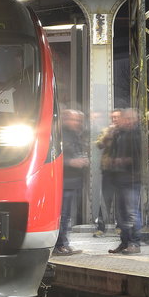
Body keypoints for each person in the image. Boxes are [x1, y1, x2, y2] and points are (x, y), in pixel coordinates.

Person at [104, 108, 144, 255]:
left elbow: (139, 157)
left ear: (133, 120)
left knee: (132, 212)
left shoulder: (137, 135)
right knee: (121, 215)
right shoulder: (119, 134)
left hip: (131, 179)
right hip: (118, 178)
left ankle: (135, 243)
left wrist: (122, 160)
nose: (122, 121)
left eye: (126, 118)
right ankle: (125, 241)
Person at [54, 109, 88, 256]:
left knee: (66, 215)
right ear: (65, 119)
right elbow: (53, 157)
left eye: (79, 120)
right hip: (63, 182)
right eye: (74, 120)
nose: (77, 123)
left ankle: (64, 243)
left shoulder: (75, 135)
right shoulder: (59, 135)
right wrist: (71, 162)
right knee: (62, 215)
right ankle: (60, 245)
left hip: (72, 181)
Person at [93, 109, 122, 236]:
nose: (114, 120)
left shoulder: (126, 131)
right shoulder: (107, 131)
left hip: (122, 170)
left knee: (121, 199)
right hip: (108, 169)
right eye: (113, 117)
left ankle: (120, 226)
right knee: (105, 199)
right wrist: (108, 134)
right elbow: (99, 144)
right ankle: (101, 227)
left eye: (117, 117)